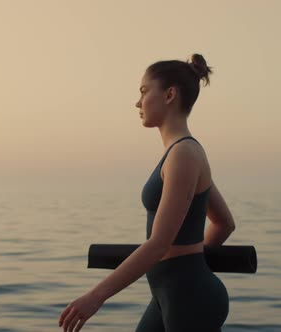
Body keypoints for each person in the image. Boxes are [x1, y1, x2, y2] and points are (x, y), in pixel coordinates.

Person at [58, 54, 236, 332]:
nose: (138, 102)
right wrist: (193, 258)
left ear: (169, 95)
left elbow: (159, 243)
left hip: (190, 298)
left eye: (143, 91)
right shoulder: (180, 153)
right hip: (170, 294)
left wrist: (96, 296)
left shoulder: (184, 155)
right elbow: (224, 223)